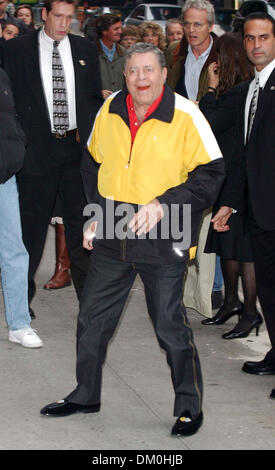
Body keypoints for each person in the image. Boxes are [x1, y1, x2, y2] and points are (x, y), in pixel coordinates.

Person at [40, 43, 225, 436]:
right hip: (113, 225)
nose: (140, 79)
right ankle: (85, 394)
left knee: (169, 325)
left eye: (148, 70)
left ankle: (189, 407)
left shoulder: (186, 115)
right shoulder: (109, 111)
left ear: (162, 73)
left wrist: (165, 203)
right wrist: (95, 216)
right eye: (132, 71)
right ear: (124, 75)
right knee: (91, 318)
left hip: (166, 225)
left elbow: (211, 174)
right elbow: (91, 163)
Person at [4, 0, 102, 316]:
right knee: (30, 233)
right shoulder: (17, 50)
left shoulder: (85, 49)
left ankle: (90, 300)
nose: (63, 24)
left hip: (75, 152)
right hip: (36, 153)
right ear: (44, 14)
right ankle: (22, 300)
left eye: (69, 18)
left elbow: (92, 100)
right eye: (58, 16)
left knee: (83, 228)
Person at [211, 13, 275, 400]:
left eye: (264, 37)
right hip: (258, 209)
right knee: (268, 288)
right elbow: (247, 155)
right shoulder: (253, 87)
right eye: (250, 39)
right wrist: (230, 203)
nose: (256, 45)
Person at [199, 32, 263, 339]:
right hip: (230, 177)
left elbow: (207, 122)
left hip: (239, 178)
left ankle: (249, 312)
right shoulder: (239, 90)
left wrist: (209, 90)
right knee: (228, 246)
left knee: (244, 249)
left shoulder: (240, 92)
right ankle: (231, 303)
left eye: (217, 56)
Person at [0, 67, 43, 348]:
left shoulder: (3, 74)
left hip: (3, 175)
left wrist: (16, 148)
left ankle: (18, 324)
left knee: (14, 249)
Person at [167, 0, 217, 102]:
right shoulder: (173, 51)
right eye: (187, 24)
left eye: (197, 25)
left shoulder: (223, 55)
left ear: (211, 26)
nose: (191, 30)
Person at [95, 13, 125, 101]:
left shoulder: (124, 53)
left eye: (120, 28)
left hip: (119, 107)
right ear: (104, 32)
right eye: (116, 29)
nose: (120, 31)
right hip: (97, 108)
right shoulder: (90, 52)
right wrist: (98, 93)